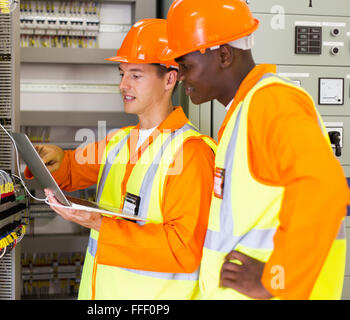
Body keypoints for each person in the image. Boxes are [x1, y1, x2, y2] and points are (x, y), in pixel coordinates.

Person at [162, 0, 350, 300]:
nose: (181, 77)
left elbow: (323, 188)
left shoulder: (272, 103)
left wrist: (276, 279)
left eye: (186, 66)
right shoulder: (243, 111)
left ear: (223, 55)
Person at [25, 18, 216, 299]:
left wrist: (99, 223)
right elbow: (68, 171)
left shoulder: (192, 152)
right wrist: (53, 158)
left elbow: (183, 250)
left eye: (136, 75)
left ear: (170, 78)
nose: (123, 85)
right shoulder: (119, 141)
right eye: (122, 74)